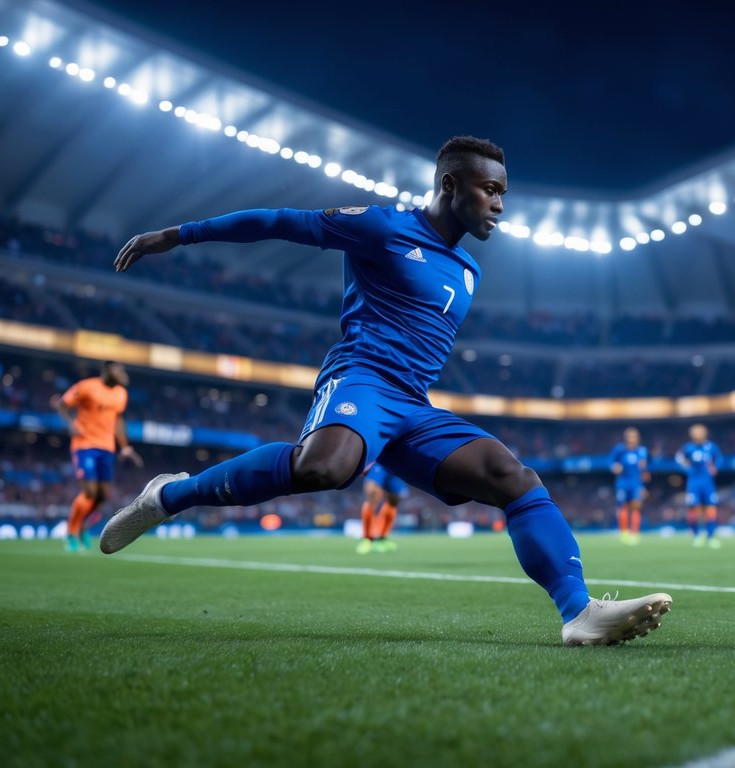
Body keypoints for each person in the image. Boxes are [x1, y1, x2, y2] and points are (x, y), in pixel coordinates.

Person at [102, 136, 670, 646]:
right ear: (451, 184)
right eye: (490, 189)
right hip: (362, 380)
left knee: (513, 478)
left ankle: (579, 612)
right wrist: (176, 235)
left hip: (414, 406)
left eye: (504, 192)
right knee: (325, 469)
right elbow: (280, 220)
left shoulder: (469, 270)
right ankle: (168, 496)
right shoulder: (381, 227)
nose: (500, 203)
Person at [51, 361, 142, 552]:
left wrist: (124, 446)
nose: (122, 373)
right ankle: (71, 532)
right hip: (85, 445)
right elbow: (62, 403)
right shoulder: (87, 387)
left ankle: (83, 527)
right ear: (107, 371)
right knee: (90, 492)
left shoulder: (120, 393)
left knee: (102, 496)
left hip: (107, 448)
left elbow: (118, 420)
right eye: (119, 369)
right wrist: (69, 423)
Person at [675, 424, 724, 549]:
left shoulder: (711, 447)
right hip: (693, 483)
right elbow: (678, 458)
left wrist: (715, 467)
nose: (696, 434)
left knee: (711, 509)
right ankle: (696, 535)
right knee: (693, 509)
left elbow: (719, 458)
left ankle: (710, 536)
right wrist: (686, 467)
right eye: (694, 432)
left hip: (708, 483)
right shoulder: (688, 447)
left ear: (704, 433)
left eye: (699, 432)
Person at [607, 427, 648, 545]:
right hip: (623, 483)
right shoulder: (620, 450)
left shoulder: (642, 451)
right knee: (623, 506)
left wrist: (643, 485)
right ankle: (624, 532)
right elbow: (610, 461)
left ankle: (634, 533)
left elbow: (644, 468)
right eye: (629, 436)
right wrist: (615, 467)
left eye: (634, 437)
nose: (631, 439)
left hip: (636, 483)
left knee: (636, 506)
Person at [358, 463, 408, 554]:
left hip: (397, 465)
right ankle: (367, 538)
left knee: (394, 500)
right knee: (372, 493)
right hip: (380, 462)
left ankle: (382, 538)